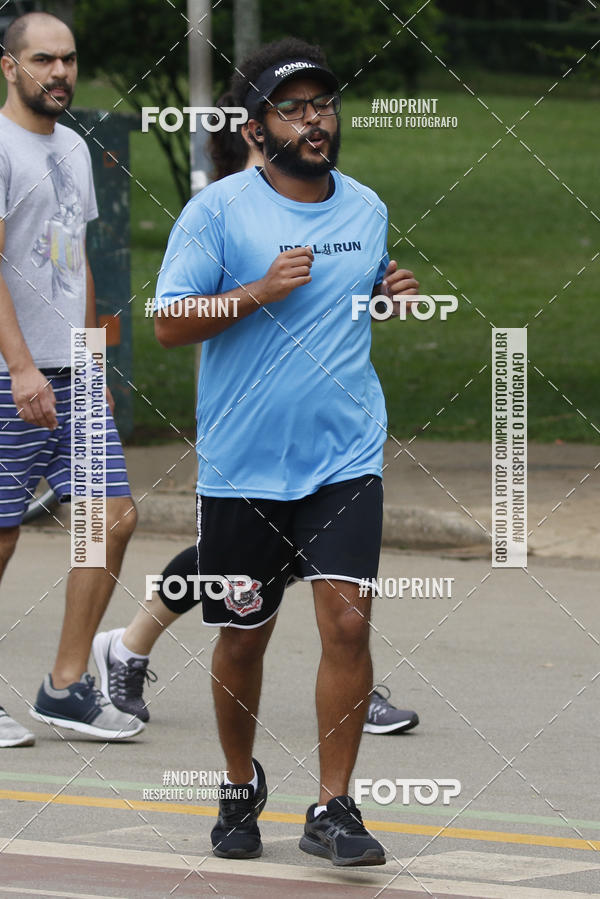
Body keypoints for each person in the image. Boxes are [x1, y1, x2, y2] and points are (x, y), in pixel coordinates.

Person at [93, 94, 419, 740]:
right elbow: (170, 320)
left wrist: (381, 299)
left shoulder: (357, 205)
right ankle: (128, 647)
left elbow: (348, 294)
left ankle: (352, 687)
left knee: (344, 609)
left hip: (340, 451)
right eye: (294, 113)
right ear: (254, 135)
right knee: (240, 609)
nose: (314, 124)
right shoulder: (224, 209)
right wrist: (260, 290)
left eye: (322, 108)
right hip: (244, 452)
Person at [0, 12, 144, 747]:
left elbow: (76, 258)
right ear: (9, 67)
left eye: (69, 60)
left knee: (112, 517)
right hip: (9, 373)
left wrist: (90, 362)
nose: (59, 72)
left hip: (71, 371)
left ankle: (63, 686)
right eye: (43, 60)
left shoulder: (76, 149)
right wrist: (22, 366)